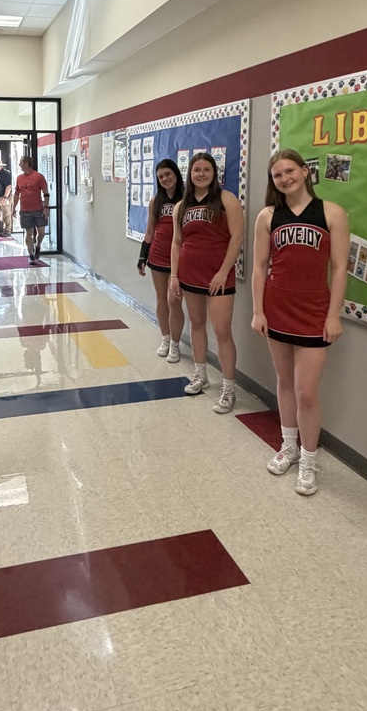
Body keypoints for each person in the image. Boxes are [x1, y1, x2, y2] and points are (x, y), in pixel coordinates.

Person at [251, 148, 349, 496]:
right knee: (283, 381)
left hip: (314, 312)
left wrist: (334, 314)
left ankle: (309, 459)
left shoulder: (331, 213)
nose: (284, 179)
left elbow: (339, 268)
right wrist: (258, 310)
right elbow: (260, 267)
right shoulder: (268, 215)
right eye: (278, 175)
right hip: (277, 307)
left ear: (305, 172)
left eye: (290, 171)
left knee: (308, 391)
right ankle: (288, 446)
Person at [169, 152, 244, 413]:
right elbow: (177, 242)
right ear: (190, 174)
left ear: (215, 174)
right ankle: (200, 375)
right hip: (190, 275)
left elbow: (237, 238)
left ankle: (228, 389)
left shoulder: (226, 200)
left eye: (206, 170)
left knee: (222, 331)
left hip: (218, 277)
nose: (201, 174)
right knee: (197, 324)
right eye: (196, 170)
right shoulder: (181, 206)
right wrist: (174, 275)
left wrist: (224, 271)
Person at [137, 159, 185, 363]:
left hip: (179, 259)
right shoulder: (155, 201)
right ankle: (165, 339)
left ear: (176, 174)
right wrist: (142, 256)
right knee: (161, 299)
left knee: (174, 301)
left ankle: (176, 343)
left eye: (168, 174)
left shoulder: (187, 199)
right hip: (156, 255)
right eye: (161, 176)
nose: (165, 179)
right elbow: (150, 231)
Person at [12, 155, 49, 265]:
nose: (19, 165)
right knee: (28, 232)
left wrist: (46, 208)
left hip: (38, 209)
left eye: (21, 163)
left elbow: (46, 193)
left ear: (26, 163)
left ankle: (37, 245)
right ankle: (31, 255)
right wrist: (13, 207)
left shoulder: (38, 177)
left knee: (41, 233)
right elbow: (16, 194)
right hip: (25, 210)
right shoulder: (19, 178)